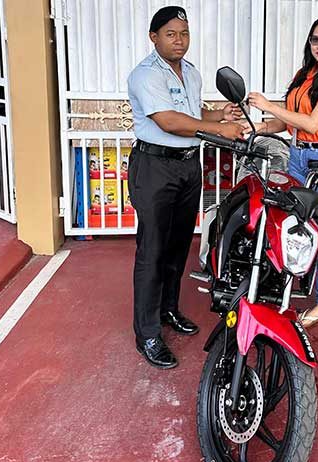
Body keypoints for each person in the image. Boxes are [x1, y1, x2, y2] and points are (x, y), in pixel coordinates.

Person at [127, 6, 245, 369]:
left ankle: (168, 311)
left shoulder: (190, 73)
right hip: (155, 167)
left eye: (184, 33)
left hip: (187, 167)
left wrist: (220, 116)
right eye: (171, 34)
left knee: (178, 247)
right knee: (153, 251)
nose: (179, 41)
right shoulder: (145, 75)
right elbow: (169, 121)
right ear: (154, 37)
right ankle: (147, 333)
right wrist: (219, 131)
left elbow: (194, 112)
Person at [246, 15, 318, 329]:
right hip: (298, 156)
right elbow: (291, 121)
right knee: (307, 234)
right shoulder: (305, 74)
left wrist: (268, 104)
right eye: (315, 40)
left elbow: (312, 123)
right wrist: (259, 127)